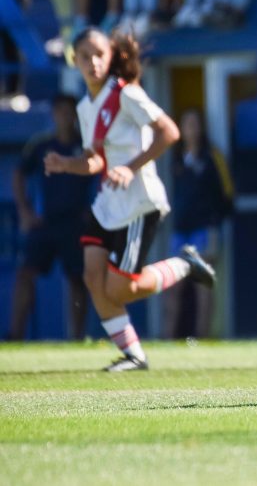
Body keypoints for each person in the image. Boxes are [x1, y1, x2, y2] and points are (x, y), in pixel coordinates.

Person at [43, 29, 216, 371]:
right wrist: (67, 165)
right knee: (93, 277)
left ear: (111, 58)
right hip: (108, 202)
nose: (93, 62)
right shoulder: (85, 107)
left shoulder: (127, 95)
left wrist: (130, 167)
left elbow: (170, 131)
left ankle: (184, 265)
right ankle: (133, 354)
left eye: (99, 54)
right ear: (73, 60)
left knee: (120, 290)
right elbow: (95, 159)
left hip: (139, 202)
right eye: (84, 56)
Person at [7, 95, 93, 341]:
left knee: (78, 279)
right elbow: (19, 174)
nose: (65, 117)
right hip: (46, 222)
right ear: (54, 114)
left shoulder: (85, 146)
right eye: (60, 111)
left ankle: (78, 338)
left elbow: (101, 175)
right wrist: (25, 210)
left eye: (69, 112)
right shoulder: (41, 146)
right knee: (26, 273)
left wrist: (92, 210)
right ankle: (15, 335)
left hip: (76, 223)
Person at [162, 109, 233, 339]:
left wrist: (214, 218)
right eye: (186, 124)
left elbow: (228, 193)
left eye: (194, 124)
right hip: (181, 230)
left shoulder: (212, 156)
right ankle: (169, 336)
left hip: (204, 229)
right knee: (173, 287)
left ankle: (202, 337)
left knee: (202, 285)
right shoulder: (176, 157)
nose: (190, 129)